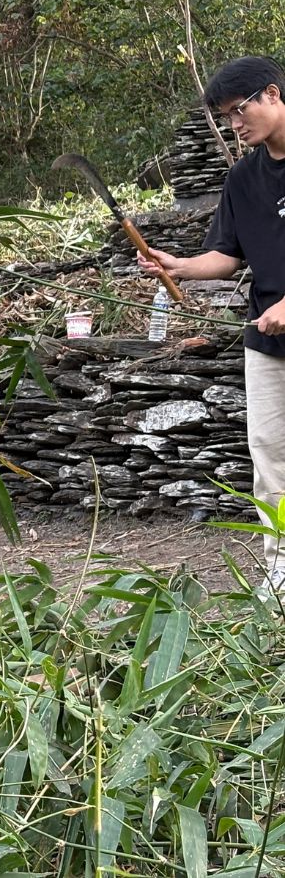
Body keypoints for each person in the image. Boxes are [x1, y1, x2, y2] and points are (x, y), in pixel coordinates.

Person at [140, 56, 285, 592]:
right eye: (225, 117)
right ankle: (281, 565)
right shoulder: (243, 177)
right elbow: (226, 256)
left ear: (272, 94)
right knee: (269, 450)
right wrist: (177, 266)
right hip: (267, 338)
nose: (234, 125)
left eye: (239, 110)